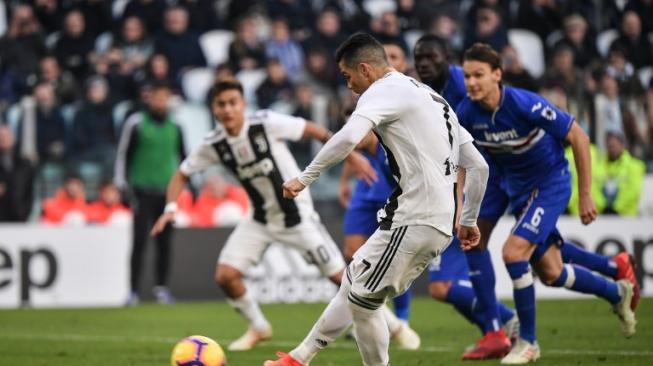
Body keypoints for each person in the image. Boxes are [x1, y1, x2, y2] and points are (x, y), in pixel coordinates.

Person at [265, 32, 489, 366]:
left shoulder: (383, 90)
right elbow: (479, 166)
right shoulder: (431, 96)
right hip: (425, 218)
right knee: (353, 281)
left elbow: (348, 138)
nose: (349, 85)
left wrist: (304, 177)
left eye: (348, 76)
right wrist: (468, 219)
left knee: (363, 300)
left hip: (417, 217)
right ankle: (299, 358)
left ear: (366, 69)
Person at [151, 78, 415, 352]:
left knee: (341, 278)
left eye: (233, 103)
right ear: (214, 110)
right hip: (260, 219)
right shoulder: (214, 143)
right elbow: (182, 173)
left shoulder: (265, 122)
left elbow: (314, 130)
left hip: (297, 217)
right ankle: (259, 327)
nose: (228, 109)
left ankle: (396, 326)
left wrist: (351, 156)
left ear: (243, 105)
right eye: (221, 104)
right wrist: (171, 209)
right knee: (226, 275)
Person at [456, 43, 637, 364]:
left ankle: (528, 342)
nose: (471, 82)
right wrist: (460, 210)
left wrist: (584, 195)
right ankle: (616, 290)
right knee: (551, 271)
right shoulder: (467, 113)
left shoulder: (524, 104)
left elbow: (578, 136)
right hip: (517, 190)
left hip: (550, 183)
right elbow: (460, 163)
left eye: (479, 75)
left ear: (497, 75)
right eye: (467, 75)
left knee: (513, 253)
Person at [412, 34, 519, 352]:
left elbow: (468, 152)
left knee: (443, 286)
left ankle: (503, 324)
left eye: (431, 56)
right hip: (456, 190)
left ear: (448, 56)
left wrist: (461, 204)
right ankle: (497, 329)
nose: (423, 63)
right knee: (442, 285)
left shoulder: (464, 90)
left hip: (470, 190)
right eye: (419, 58)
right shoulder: (437, 90)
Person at [337, 41, 415, 326]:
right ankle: (362, 314)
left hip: (389, 189)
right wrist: (344, 180)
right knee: (352, 254)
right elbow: (350, 142)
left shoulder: (405, 97)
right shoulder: (363, 97)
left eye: (396, 56)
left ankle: (402, 319)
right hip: (364, 188)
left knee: (393, 260)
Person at [115, 80, 186, 306]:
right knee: (139, 242)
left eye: (165, 97)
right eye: (157, 97)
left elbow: (185, 159)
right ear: (150, 98)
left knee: (165, 243)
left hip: (167, 193)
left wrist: (188, 186)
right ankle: (133, 291)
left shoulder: (176, 126)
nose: (161, 101)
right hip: (141, 191)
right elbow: (123, 155)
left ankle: (162, 288)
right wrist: (123, 186)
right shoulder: (136, 123)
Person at [602, 131, 646, 216]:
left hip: (627, 217)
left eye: (614, 146)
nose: (612, 149)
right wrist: (603, 206)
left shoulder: (635, 166)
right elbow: (594, 189)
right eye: (610, 146)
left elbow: (633, 192)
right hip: (604, 215)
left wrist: (615, 207)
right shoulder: (600, 166)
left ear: (622, 145)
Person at [0, 125, 34, 222]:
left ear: (13, 138)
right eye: (0, 136)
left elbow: (30, 192)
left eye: (6, 136)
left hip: (19, 219)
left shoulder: (24, 164)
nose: (3, 139)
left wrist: (24, 213)